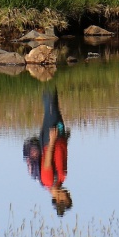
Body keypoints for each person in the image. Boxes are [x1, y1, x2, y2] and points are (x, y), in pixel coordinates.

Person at [22, 88, 73, 216]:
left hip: (50, 139)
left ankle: (44, 78)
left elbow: (47, 161)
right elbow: (63, 158)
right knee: (55, 105)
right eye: (68, 196)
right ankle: (50, 78)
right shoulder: (61, 180)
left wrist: (52, 140)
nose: (67, 193)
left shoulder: (48, 181)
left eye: (66, 197)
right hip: (59, 136)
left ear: (57, 199)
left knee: (50, 106)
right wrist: (65, 139)